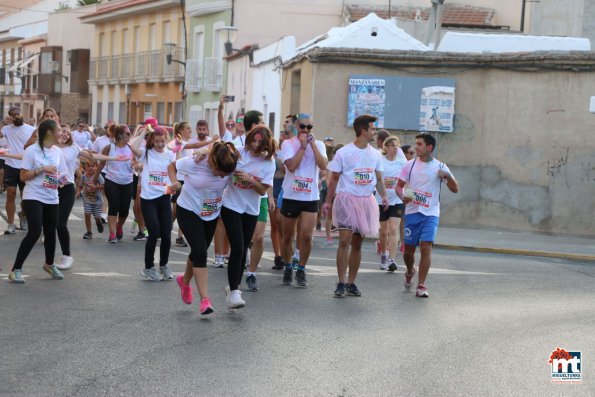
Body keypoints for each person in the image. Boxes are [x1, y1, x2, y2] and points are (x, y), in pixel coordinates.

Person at [169, 141, 239, 315]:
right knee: (200, 251)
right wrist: (174, 182)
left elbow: (224, 144)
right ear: (213, 162)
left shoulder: (229, 161)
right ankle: (205, 300)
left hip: (211, 214)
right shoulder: (195, 162)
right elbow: (171, 166)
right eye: (219, 173)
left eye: (225, 175)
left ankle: (184, 281)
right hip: (188, 209)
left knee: (198, 251)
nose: (222, 177)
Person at [324, 114, 388, 297]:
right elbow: (334, 178)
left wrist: (384, 196)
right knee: (344, 241)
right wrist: (328, 201)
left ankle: (351, 283)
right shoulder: (345, 152)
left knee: (358, 244)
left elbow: (378, 179)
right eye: (373, 129)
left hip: (366, 201)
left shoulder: (375, 154)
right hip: (346, 200)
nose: (375, 132)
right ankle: (341, 282)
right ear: (363, 131)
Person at [4, 119, 69, 283]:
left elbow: (62, 175)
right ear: (49, 132)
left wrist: (60, 180)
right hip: (33, 195)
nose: (61, 133)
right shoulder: (32, 151)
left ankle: (49, 264)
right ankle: (15, 269)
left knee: (50, 232)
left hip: (51, 196)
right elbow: (23, 176)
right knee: (34, 231)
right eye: (59, 130)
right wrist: (41, 169)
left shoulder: (57, 152)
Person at [55, 125, 127, 270]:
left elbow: (93, 156)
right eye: (62, 131)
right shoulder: (48, 147)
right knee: (50, 224)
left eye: (67, 133)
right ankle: (49, 261)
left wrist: (114, 157)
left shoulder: (74, 148)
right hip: (50, 188)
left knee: (60, 224)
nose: (64, 134)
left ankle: (66, 256)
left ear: (70, 136)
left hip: (67, 188)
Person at [396, 133, 459, 298]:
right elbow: (399, 186)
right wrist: (402, 196)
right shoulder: (409, 166)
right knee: (408, 252)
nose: (416, 147)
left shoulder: (440, 167)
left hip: (431, 213)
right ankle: (410, 270)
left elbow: (455, 188)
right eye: (416, 144)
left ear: (429, 147)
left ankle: (421, 285)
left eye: (419, 144)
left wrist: (446, 177)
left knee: (426, 247)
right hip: (412, 212)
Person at [219, 125, 275, 297]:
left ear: (267, 144)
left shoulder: (268, 163)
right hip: (231, 205)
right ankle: (234, 290)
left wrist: (251, 180)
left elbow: (262, 191)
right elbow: (218, 155)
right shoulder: (238, 153)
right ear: (249, 139)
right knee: (237, 246)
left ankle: (234, 286)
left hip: (251, 209)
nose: (256, 145)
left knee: (243, 248)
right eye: (254, 141)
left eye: (261, 143)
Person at [280, 113, 328, 287]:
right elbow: (291, 166)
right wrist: (301, 147)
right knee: (288, 236)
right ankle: (287, 265)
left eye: (309, 127)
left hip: (310, 196)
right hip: (291, 195)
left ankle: (301, 268)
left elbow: (323, 166)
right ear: (296, 126)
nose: (306, 130)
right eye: (303, 126)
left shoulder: (319, 144)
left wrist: (312, 145)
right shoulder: (288, 144)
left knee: (307, 236)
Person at [132, 126, 176, 281]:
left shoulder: (170, 154)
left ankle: (163, 265)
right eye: (157, 141)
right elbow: (133, 147)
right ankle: (149, 267)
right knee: (154, 232)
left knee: (166, 233)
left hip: (164, 197)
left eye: (162, 141)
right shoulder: (146, 153)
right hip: (148, 199)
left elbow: (173, 173)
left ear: (166, 140)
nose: (159, 144)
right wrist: (144, 132)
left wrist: (175, 185)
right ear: (152, 140)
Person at [94, 124, 140, 243]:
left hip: (128, 182)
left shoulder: (131, 148)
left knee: (124, 210)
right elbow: (102, 164)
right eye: (127, 133)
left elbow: (136, 162)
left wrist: (136, 166)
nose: (129, 135)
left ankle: (119, 227)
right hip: (112, 181)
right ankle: (112, 234)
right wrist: (95, 177)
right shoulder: (109, 148)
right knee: (113, 206)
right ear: (120, 135)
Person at [0, 107, 35, 234]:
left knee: (26, 198)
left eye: (18, 114)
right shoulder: (7, 129)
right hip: (10, 165)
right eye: (13, 115)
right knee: (11, 193)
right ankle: (10, 224)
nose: (17, 117)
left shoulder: (31, 129)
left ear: (22, 114)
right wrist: (4, 122)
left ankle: (23, 214)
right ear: (10, 117)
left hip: (26, 166)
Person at [376, 136, 406, 271]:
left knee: (393, 230)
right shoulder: (380, 161)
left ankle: (391, 260)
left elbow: (408, 179)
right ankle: (383, 254)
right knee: (383, 232)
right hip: (381, 200)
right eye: (392, 145)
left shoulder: (401, 162)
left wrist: (408, 196)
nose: (395, 148)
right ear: (386, 147)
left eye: (397, 145)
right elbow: (377, 181)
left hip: (397, 201)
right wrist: (382, 196)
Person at [169, 121, 193, 247]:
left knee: (184, 211)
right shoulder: (176, 143)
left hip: (188, 181)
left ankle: (179, 236)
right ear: (180, 131)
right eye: (188, 128)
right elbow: (176, 161)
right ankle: (165, 227)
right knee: (175, 211)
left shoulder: (189, 145)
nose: (190, 130)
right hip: (178, 180)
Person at [77, 159, 105, 239]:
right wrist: (78, 192)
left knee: (97, 216)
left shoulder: (98, 176)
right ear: (85, 167)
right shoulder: (83, 177)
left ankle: (98, 222)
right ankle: (89, 232)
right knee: (87, 214)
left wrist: (96, 187)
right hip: (87, 200)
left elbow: (104, 185)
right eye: (88, 166)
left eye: (93, 166)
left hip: (97, 201)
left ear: (96, 167)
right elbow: (80, 186)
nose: (90, 168)